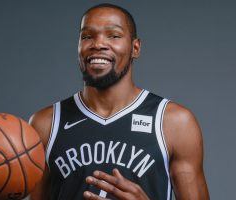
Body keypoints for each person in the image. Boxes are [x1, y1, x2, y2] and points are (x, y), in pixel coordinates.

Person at [29, 3, 209, 200]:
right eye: (87, 36)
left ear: (135, 48)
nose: (98, 44)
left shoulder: (174, 122)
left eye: (113, 36)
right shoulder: (46, 123)